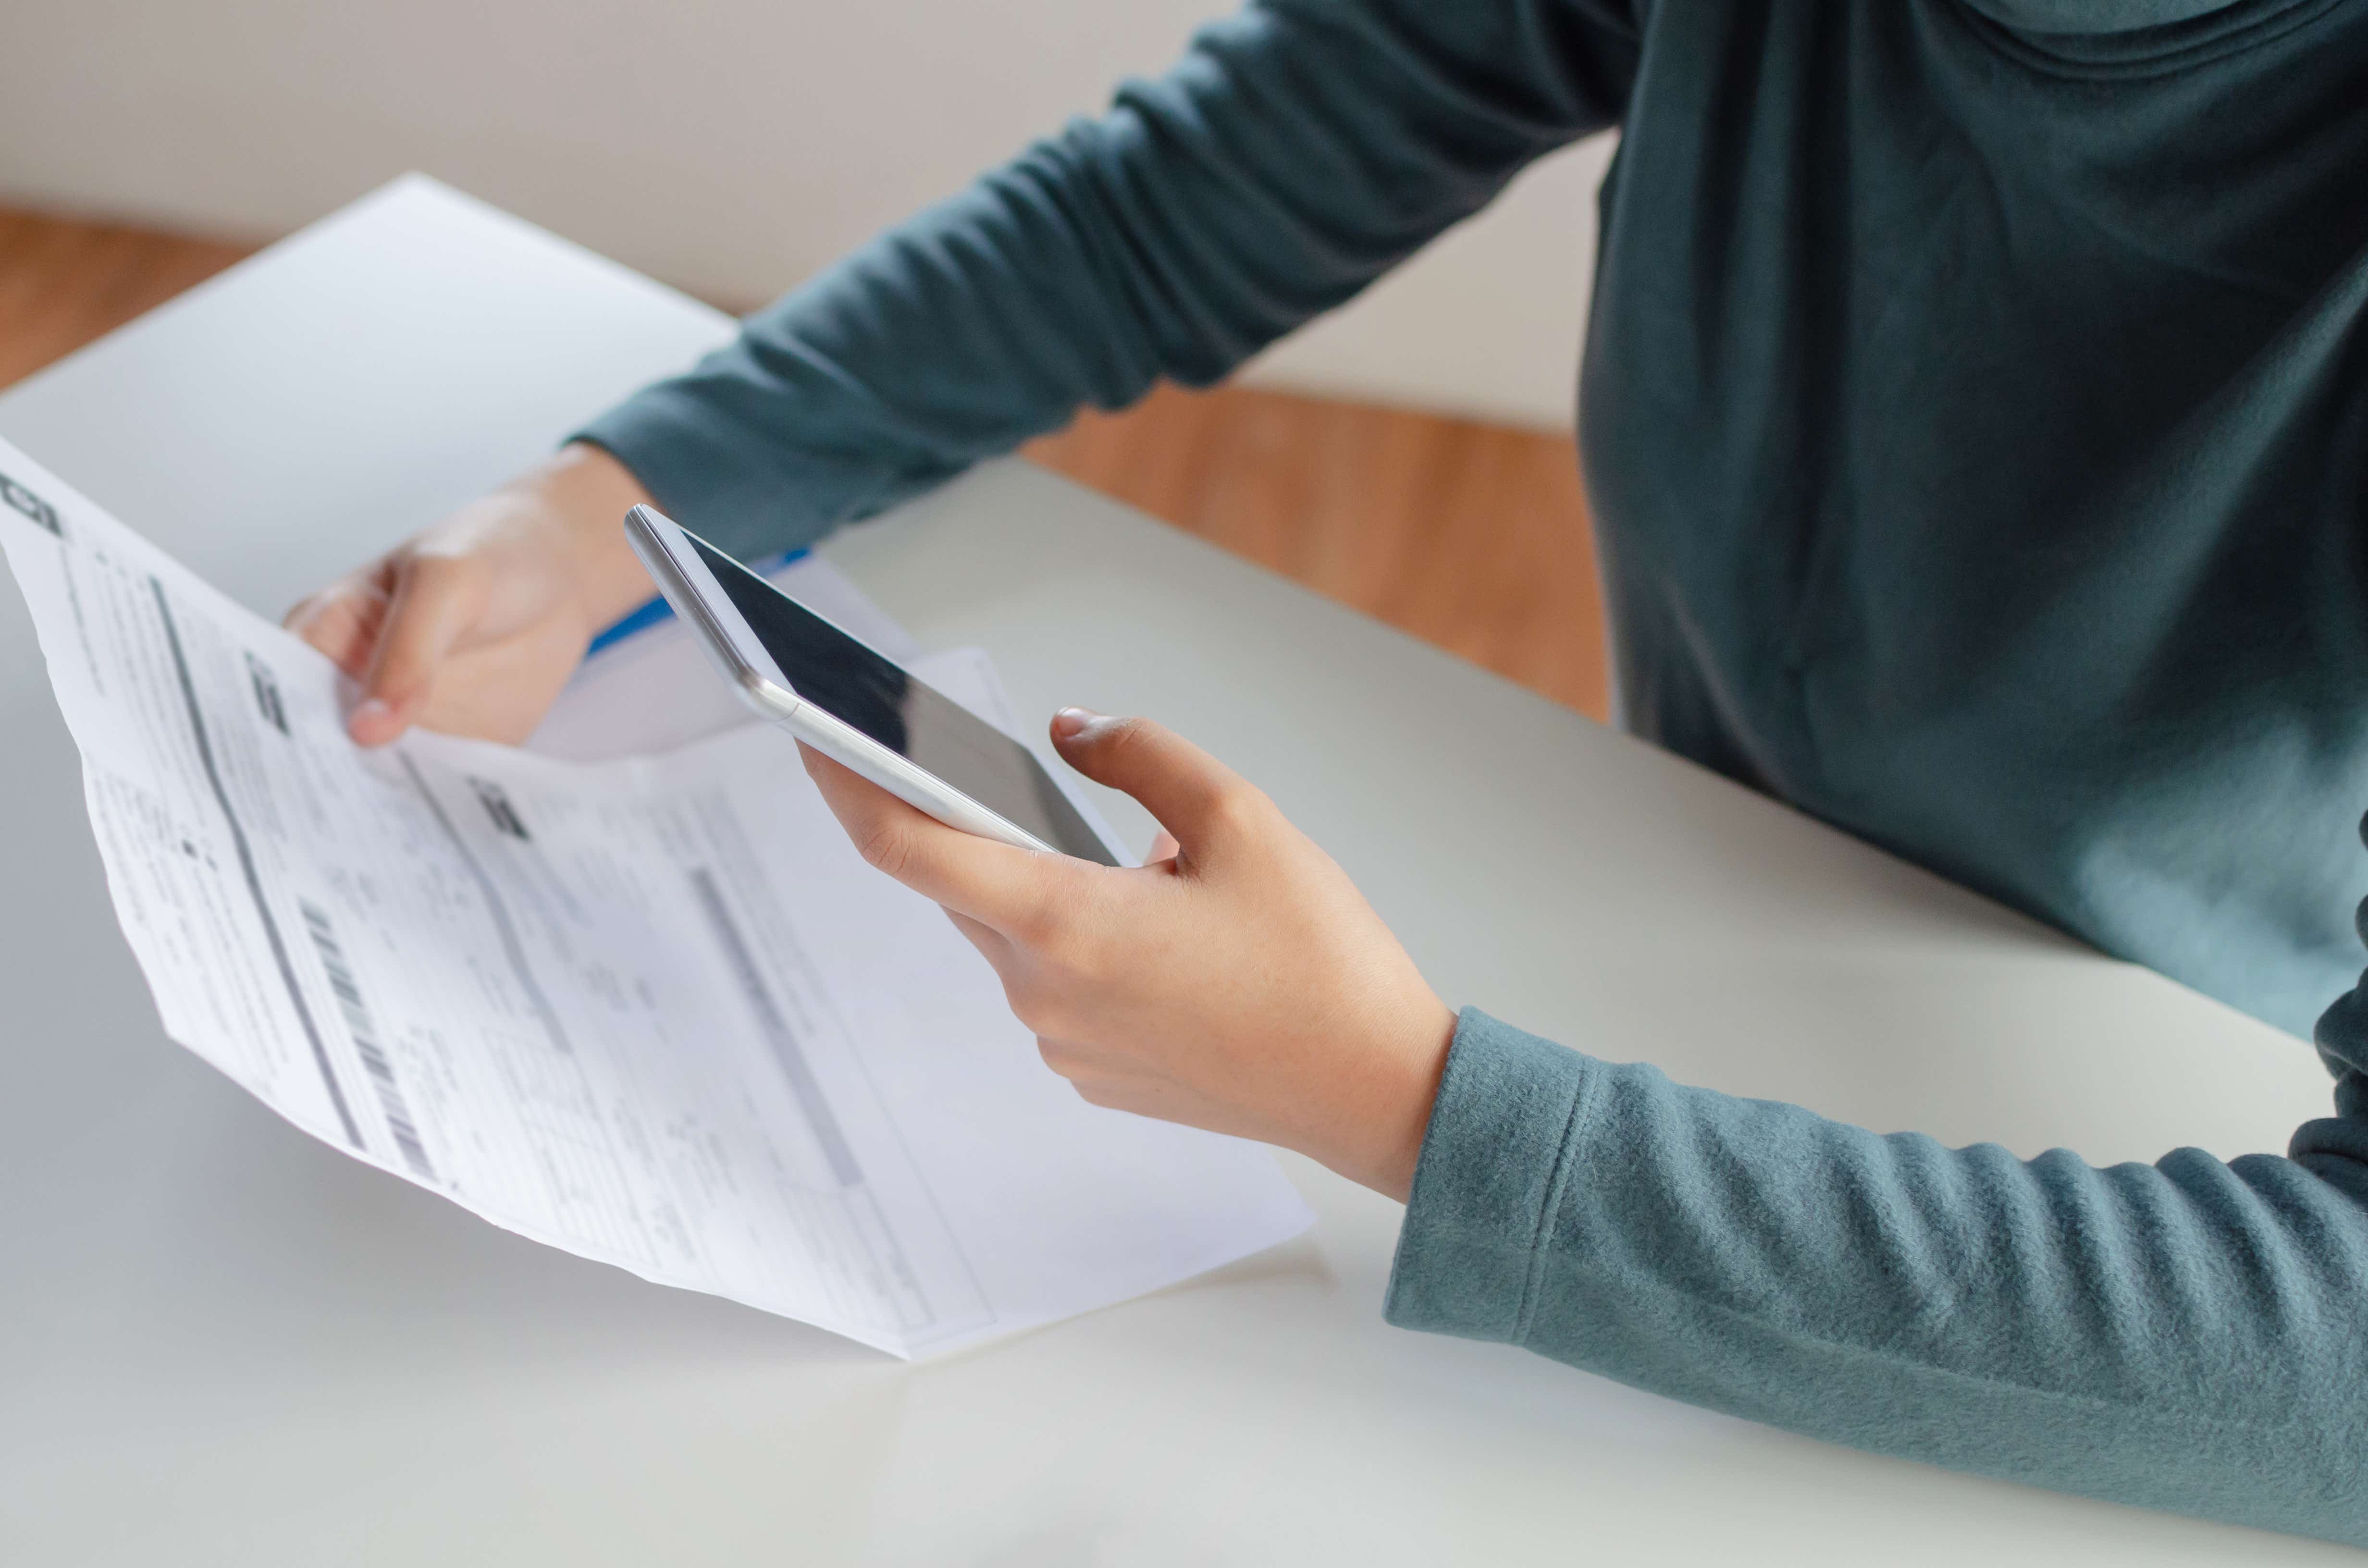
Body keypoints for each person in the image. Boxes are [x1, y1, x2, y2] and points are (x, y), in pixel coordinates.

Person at [286, 0, 2368, 1545]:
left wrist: (1402, 1108)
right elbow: (1177, 203)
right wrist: (623, 497)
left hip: (2117, 1107)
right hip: (1694, 893)